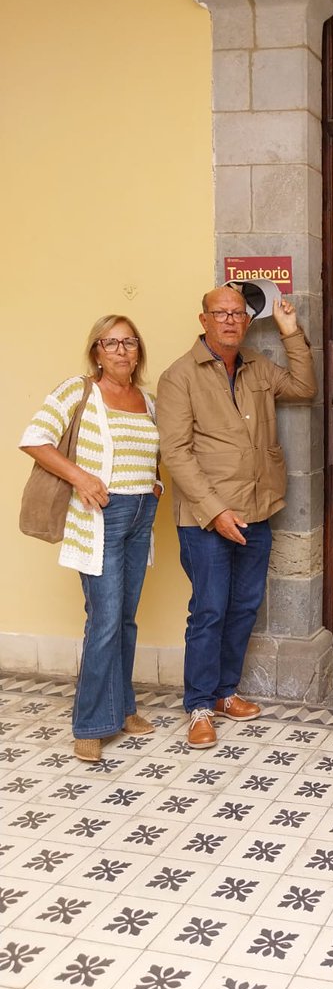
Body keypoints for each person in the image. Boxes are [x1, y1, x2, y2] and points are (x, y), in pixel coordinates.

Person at [156, 285, 316, 749]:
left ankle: (227, 693)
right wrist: (215, 511)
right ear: (203, 319)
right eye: (219, 313)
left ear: (248, 321)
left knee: (243, 607)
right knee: (208, 611)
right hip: (205, 520)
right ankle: (200, 706)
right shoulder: (178, 377)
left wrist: (290, 332)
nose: (229, 320)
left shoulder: (257, 367)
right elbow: (177, 454)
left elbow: (304, 387)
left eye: (238, 313)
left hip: (256, 509)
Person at [19, 316, 162, 762]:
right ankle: (90, 724)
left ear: (138, 350)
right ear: (96, 351)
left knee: (126, 618)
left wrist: (154, 484)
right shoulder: (79, 390)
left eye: (129, 342)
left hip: (141, 514)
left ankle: (122, 709)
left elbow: (152, 453)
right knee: (104, 619)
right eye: (111, 342)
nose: (121, 350)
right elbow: (34, 438)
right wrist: (80, 476)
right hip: (101, 517)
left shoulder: (149, 400)